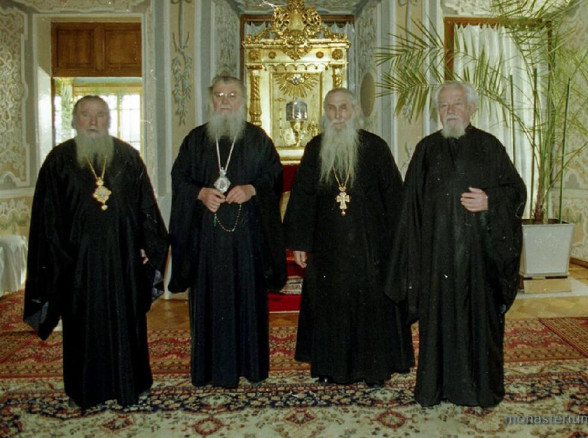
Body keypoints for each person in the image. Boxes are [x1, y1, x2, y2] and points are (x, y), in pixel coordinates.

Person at [386, 81, 527, 408]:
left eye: (457, 103)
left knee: (480, 323)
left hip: (480, 260)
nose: (450, 111)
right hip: (437, 259)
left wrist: (491, 200)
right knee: (439, 325)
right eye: (444, 105)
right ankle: (435, 388)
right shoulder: (425, 150)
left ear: (471, 108)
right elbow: (410, 210)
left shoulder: (490, 147)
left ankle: (481, 390)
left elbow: (516, 191)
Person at [23, 95, 169, 410]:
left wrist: (148, 245)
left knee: (126, 320)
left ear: (108, 119)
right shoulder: (59, 160)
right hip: (78, 265)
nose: (93, 122)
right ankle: (84, 390)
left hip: (123, 258)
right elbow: (47, 219)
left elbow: (145, 206)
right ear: (75, 120)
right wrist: (57, 261)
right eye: (86, 115)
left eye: (100, 115)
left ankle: (132, 383)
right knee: (83, 327)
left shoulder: (128, 157)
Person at [284, 88, 414, 386]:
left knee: (371, 305)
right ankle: (331, 368)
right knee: (330, 304)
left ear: (355, 111)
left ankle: (374, 369)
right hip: (327, 247)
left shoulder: (375, 147)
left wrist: (395, 244)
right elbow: (302, 196)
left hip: (370, 247)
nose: (338, 114)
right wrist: (300, 243)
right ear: (324, 113)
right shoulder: (316, 148)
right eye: (331, 108)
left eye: (343, 107)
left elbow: (394, 198)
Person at [169, 75, 287, 388]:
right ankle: (208, 371)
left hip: (247, 242)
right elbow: (179, 178)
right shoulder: (196, 140)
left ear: (242, 101)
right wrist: (200, 193)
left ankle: (251, 367)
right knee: (209, 302)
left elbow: (275, 176)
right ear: (211, 100)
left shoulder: (258, 139)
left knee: (247, 302)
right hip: (208, 244)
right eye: (219, 95)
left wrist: (252, 188)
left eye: (232, 95)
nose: (225, 101)